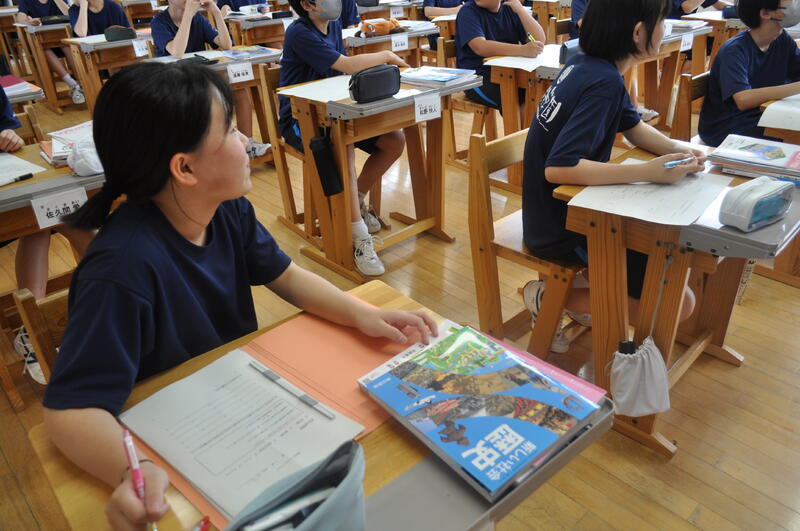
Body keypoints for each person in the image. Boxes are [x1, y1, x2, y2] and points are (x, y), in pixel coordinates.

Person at [42, 62, 438, 530]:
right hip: (184, 438)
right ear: (185, 168)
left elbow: (286, 276)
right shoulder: (120, 269)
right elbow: (70, 410)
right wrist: (133, 471)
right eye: (231, 130)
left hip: (241, 402)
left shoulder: (227, 210)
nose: (247, 140)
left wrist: (359, 313)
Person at [522, 0, 701, 352]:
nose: (665, 29)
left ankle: (586, 296)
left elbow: (633, 127)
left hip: (562, 212)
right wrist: (647, 172)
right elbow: (559, 168)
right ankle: (547, 296)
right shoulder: (602, 82)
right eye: (661, 22)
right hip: (561, 227)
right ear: (638, 32)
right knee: (679, 303)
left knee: (674, 268)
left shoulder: (587, 64)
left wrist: (677, 149)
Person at [279, 0, 408, 276]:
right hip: (301, 119)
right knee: (343, 147)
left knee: (394, 141)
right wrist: (386, 55)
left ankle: (355, 200)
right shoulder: (299, 32)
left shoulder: (333, 25)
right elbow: (346, 65)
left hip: (334, 109)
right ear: (308, 5)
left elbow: (340, 73)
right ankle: (359, 238)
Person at [151, 0, 271, 157]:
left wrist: (216, 13)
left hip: (200, 75)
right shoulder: (159, 22)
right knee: (211, 96)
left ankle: (247, 144)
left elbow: (226, 45)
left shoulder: (199, 19)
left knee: (239, 90)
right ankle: (224, 145)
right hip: (174, 81)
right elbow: (177, 51)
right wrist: (188, 15)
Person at [698, 0, 800, 146]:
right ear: (765, 13)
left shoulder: (782, 39)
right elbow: (743, 99)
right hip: (727, 128)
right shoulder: (734, 50)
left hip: (762, 116)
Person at [455, 0, 546, 112]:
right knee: (518, 96)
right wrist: (522, 50)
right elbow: (480, 46)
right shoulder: (468, 11)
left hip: (508, 72)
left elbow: (539, 40)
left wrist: (520, 10)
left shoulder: (510, 8)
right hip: (475, 77)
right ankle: (524, 124)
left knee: (538, 91)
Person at [15, 0, 85, 104]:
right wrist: (28, 21)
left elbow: (70, 13)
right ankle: (73, 84)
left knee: (68, 46)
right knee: (44, 49)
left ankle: (83, 83)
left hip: (60, 37)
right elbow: (20, 18)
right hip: (41, 42)